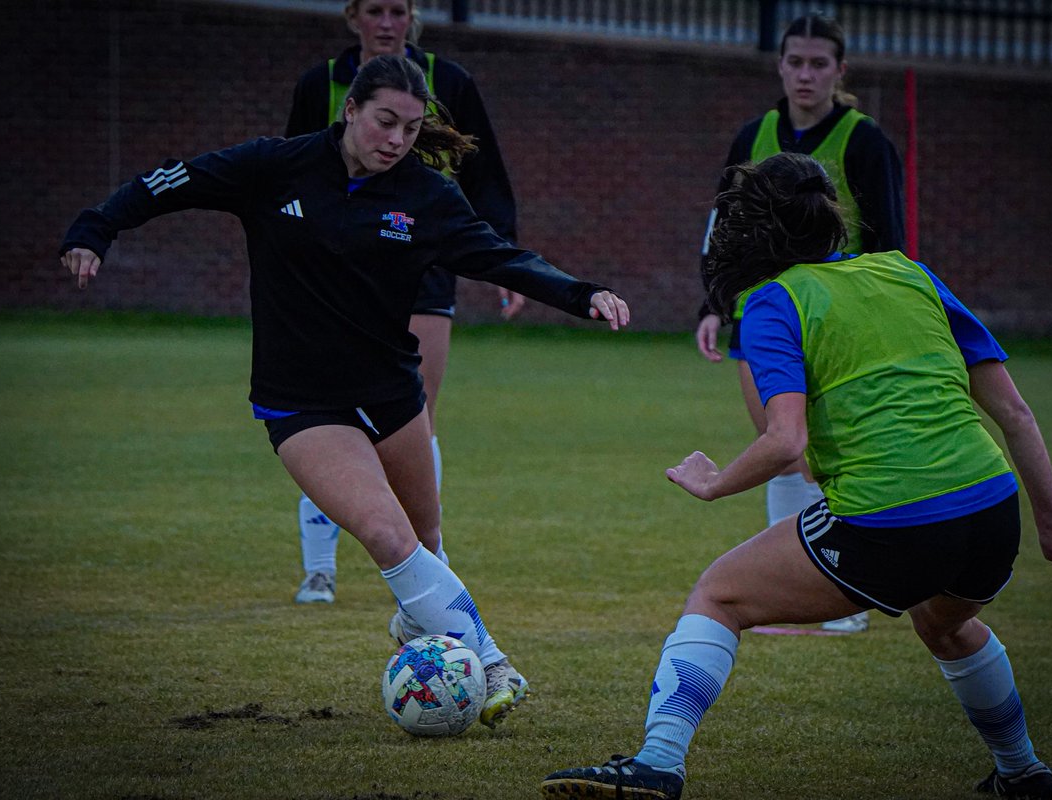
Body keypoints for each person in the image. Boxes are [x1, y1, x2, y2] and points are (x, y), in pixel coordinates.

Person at [60, 54, 630, 729]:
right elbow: (170, 181)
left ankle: (420, 628)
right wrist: (95, 227)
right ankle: (492, 660)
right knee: (388, 536)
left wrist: (582, 294)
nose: (397, 140)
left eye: (411, 129)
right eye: (385, 121)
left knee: (426, 543)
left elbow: (501, 257)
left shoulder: (426, 196)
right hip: (302, 402)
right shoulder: (276, 166)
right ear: (350, 109)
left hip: (391, 393)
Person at [541, 152, 1052, 799]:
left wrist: (713, 482)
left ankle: (657, 762)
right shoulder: (908, 271)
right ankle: (1022, 771)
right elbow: (1015, 413)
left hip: (892, 517)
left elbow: (785, 441)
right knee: (944, 623)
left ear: (749, 233)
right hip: (992, 510)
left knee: (718, 595)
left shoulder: (773, 301)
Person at [286, 0, 526, 605]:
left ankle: (427, 566)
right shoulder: (320, 84)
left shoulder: (450, 82)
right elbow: (290, 174)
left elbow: (486, 177)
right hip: (333, 277)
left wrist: (506, 261)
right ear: (353, 16)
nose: (388, 22)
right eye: (376, 10)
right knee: (325, 417)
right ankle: (319, 570)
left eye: (399, 10)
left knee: (417, 416)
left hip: (421, 268)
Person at [695, 13, 905, 633]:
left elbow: (889, 242)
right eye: (795, 62)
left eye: (819, 63)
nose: (805, 74)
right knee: (779, 448)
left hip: (837, 323)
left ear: (841, 70)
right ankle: (787, 596)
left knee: (825, 455)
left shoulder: (864, 141)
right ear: (779, 66)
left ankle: (846, 600)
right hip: (760, 317)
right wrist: (712, 305)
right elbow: (721, 228)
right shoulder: (752, 136)